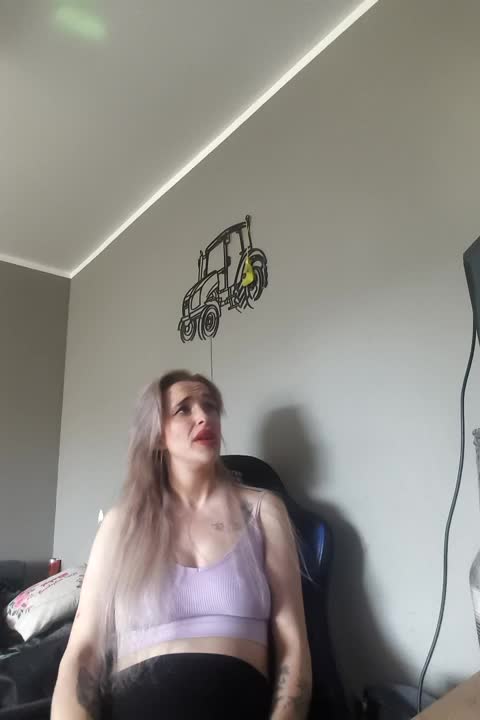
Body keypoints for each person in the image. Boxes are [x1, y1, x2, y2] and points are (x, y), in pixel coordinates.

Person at [51, 370, 312, 719]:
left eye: (210, 406)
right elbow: (83, 650)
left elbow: (293, 643)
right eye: (183, 409)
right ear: (157, 435)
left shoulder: (263, 511)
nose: (204, 416)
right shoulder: (121, 524)